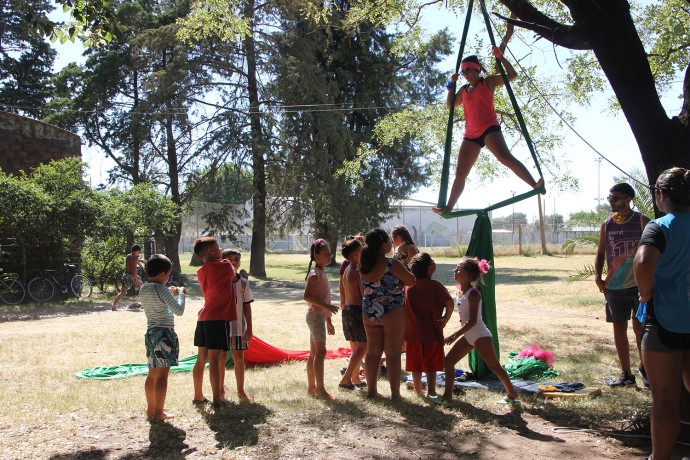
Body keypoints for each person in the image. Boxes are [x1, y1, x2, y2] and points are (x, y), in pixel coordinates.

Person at [432, 46, 543, 215]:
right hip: (471, 135)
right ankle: (448, 207)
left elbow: (512, 75)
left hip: (489, 128)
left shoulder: (488, 82)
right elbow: (450, 105)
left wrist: (501, 57)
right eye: (463, 73)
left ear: (477, 69)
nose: (466, 75)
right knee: (460, 172)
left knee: (505, 158)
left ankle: (535, 184)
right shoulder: (463, 90)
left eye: (468, 71)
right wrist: (451, 86)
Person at [633, 167, 690, 460]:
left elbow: (643, 262)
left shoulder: (659, 226)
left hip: (665, 326)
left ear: (660, 194)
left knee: (665, 399)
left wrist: (645, 293)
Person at [443, 257, 520, 406]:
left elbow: (472, 321)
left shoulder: (473, 294)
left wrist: (455, 335)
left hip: (480, 335)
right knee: (448, 362)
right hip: (469, 336)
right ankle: (447, 396)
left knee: (494, 366)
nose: (455, 271)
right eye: (456, 268)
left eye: (459, 269)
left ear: (469, 275)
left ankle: (512, 393)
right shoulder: (460, 293)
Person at [595, 182, 650, 387]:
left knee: (640, 329)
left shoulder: (642, 221)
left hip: (639, 287)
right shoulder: (607, 225)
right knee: (619, 329)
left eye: (615, 198)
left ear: (628, 199)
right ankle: (626, 374)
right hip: (614, 288)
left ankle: (646, 370)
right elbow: (601, 253)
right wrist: (598, 278)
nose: (611, 201)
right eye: (609, 198)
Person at [360, 228, 415, 400]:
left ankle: (371, 392)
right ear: (384, 245)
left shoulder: (363, 264)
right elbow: (411, 280)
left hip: (368, 309)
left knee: (373, 352)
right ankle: (395, 394)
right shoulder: (392, 263)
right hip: (392, 310)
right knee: (393, 353)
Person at [191, 237, 237, 407]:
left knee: (201, 359)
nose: (221, 249)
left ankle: (198, 395)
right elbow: (233, 272)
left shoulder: (201, 271)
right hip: (217, 318)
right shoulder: (225, 265)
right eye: (218, 246)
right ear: (210, 250)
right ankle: (217, 399)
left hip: (203, 318)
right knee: (216, 360)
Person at [141, 254, 186, 421]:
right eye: (168, 275)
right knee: (162, 376)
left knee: (152, 374)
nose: (168, 278)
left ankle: (151, 409)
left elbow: (161, 301)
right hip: (165, 334)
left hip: (151, 333)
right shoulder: (160, 289)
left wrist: (170, 293)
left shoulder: (144, 288)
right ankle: (160, 412)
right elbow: (178, 310)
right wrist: (181, 293)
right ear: (161, 274)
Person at [404, 253, 453, 403]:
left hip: (412, 333)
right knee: (431, 364)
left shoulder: (408, 287)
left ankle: (418, 389)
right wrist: (445, 318)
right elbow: (450, 302)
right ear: (430, 268)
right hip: (432, 332)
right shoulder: (436, 286)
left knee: (415, 363)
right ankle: (431, 391)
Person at [303, 239, 340, 400]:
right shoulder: (315, 274)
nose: (329, 256)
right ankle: (320, 390)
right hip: (315, 316)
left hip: (319, 316)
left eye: (330, 253)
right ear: (316, 256)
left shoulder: (322, 273)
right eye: (326, 254)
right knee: (320, 353)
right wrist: (327, 307)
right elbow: (307, 296)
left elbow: (323, 297)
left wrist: (329, 320)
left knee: (314, 353)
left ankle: (312, 388)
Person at [220, 248, 254, 402]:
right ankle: (220, 389)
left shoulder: (244, 283)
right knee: (220, 358)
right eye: (229, 260)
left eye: (236, 259)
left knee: (239, 358)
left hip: (239, 328)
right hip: (221, 327)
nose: (233, 263)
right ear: (222, 262)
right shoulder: (219, 282)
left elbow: (247, 306)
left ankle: (241, 391)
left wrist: (250, 329)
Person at [338, 238, 367, 391]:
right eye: (362, 249)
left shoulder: (347, 269)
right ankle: (345, 380)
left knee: (356, 349)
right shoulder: (357, 271)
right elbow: (364, 295)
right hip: (357, 311)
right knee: (362, 348)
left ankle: (355, 378)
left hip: (347, 311)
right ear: (356, 254)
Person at [112, 244, 145, 311]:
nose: (139, 253)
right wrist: (137, 280)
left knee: (123, 292)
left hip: (126, 275)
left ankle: (114, 305)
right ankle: (145, 304)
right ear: (137, 251)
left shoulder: (128, 256)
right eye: (139, 251)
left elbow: (132, 262)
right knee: (143, 287)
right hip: (132, 275)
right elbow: (134, 270)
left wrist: (141, 260)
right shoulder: (135, 258)